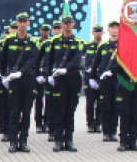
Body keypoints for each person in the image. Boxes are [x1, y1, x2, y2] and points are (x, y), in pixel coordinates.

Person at [1, 12, 38, 153]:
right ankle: (13, 141)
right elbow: (3, 59)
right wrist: (3, 75)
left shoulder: (33, 42)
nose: (22, 24)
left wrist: (21, 72)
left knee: (26, 111)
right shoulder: (9, 41)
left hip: (27, 79)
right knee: (14, 111)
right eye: (20, 21)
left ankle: (23, 141)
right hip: (13, 81)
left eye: (25, 21)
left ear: (28, 23)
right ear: (17, 23)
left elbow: (32, 59)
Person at [47, 16, 83, 152]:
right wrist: (49, 75)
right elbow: (49, 59)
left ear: (73, 24)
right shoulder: (54, 41)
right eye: (65, 23)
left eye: (69, 23)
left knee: (70, 110)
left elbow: (77, 59)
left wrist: (66, 69)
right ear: (62, 25)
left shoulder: (78, 41)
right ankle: (58, 140)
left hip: (73, 78)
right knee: (59, 110)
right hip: (59, 80)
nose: (67, 26)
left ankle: (69, 140)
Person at [91, 21, 119, 142]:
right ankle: (106, 131)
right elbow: (96, 63)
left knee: (116, 106)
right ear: (108, 30)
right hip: (105, 80)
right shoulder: (103, 45)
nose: (114, 30)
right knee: (105, 106)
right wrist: (93, 78)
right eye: (112, 27)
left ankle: (113, 131)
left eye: (116, 27)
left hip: (118, 79)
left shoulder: (122, 45)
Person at [0, 21, 14, 136]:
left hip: (13, 78)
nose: (9, 33)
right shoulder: (0, 44)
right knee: (1, 104)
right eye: (7, 31)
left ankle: (10, 128)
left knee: (12, 105)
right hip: (2, 77)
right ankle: (0, 125)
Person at [83, 25, 103, 133]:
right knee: (90, 101)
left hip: (100, 77)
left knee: (100, 101)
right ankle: (90, 124)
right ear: (93, 33)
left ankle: (98, 123)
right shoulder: (87, 45)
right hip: (89, 77)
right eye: (96, 31)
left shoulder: (104, 46)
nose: (98, 33)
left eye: (100, 32)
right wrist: (83, 70)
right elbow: (79, 58)